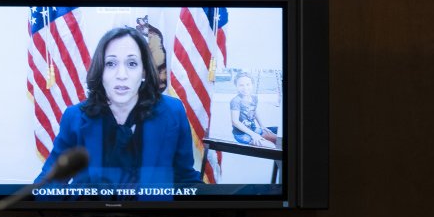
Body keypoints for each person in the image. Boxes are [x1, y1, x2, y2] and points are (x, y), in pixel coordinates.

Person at [35, 26, 201, 189]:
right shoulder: (75, 118)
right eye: (111, 64)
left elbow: (186, 179)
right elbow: (50, 182)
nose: (122, 75)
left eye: (132, 63)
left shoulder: (173, 112)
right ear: (100, 72)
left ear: (143, 72)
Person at [230, 72, 278, 148]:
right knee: (273, 147)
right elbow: (235, 122)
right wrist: (253, 135)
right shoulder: (236, 101)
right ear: (236, 86)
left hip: (253, 129)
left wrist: (262, 126)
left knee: (278, 140)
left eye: (248, 84)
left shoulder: (254, 98)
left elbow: (254, 111)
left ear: (252, 84)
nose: (245, 88)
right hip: (242, 134)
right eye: (241, 85)